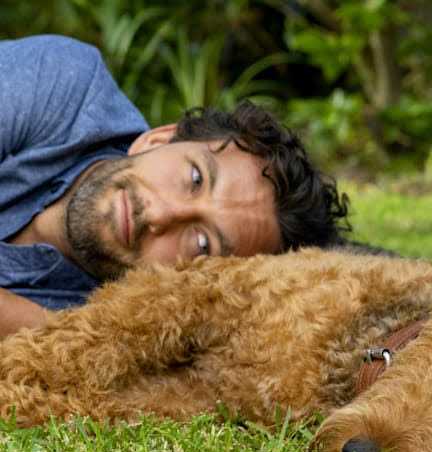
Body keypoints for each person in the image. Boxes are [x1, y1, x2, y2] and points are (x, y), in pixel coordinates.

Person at [0, 34, 353, 340]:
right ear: (157, 140)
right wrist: (55, 333)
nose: (160, 214)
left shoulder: (131, 327)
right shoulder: (67, 84)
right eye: (195, 178)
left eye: (202, 244)